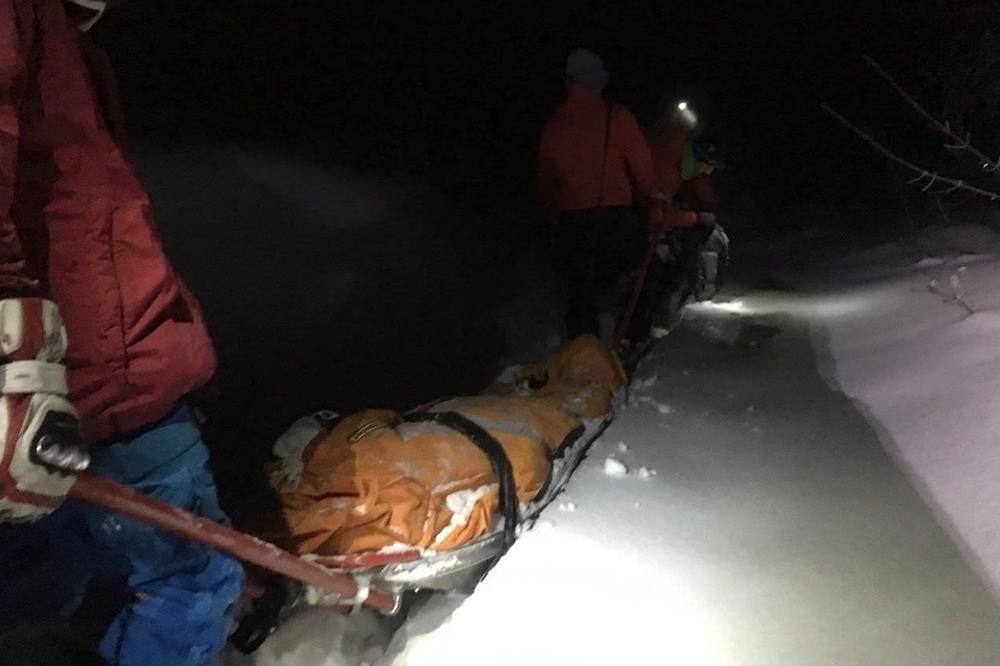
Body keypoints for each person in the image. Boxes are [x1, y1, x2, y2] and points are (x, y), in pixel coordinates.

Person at [0, 1, 243, 664]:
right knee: (188, 578)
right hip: (96, 379)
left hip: (92, 364)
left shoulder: (51, 33)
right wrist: (17, 363)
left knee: (43, 581)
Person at [539, 48, 668, 340]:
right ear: (598, 81)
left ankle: (581, 357)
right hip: (613, 221)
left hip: (571, 225)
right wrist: (657, 197)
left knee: (579, 295)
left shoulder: (553, 128)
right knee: (644, 273)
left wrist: (553, 219)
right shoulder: (617, 118)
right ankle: (632, 341)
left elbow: (547, 186)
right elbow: (643, 171)